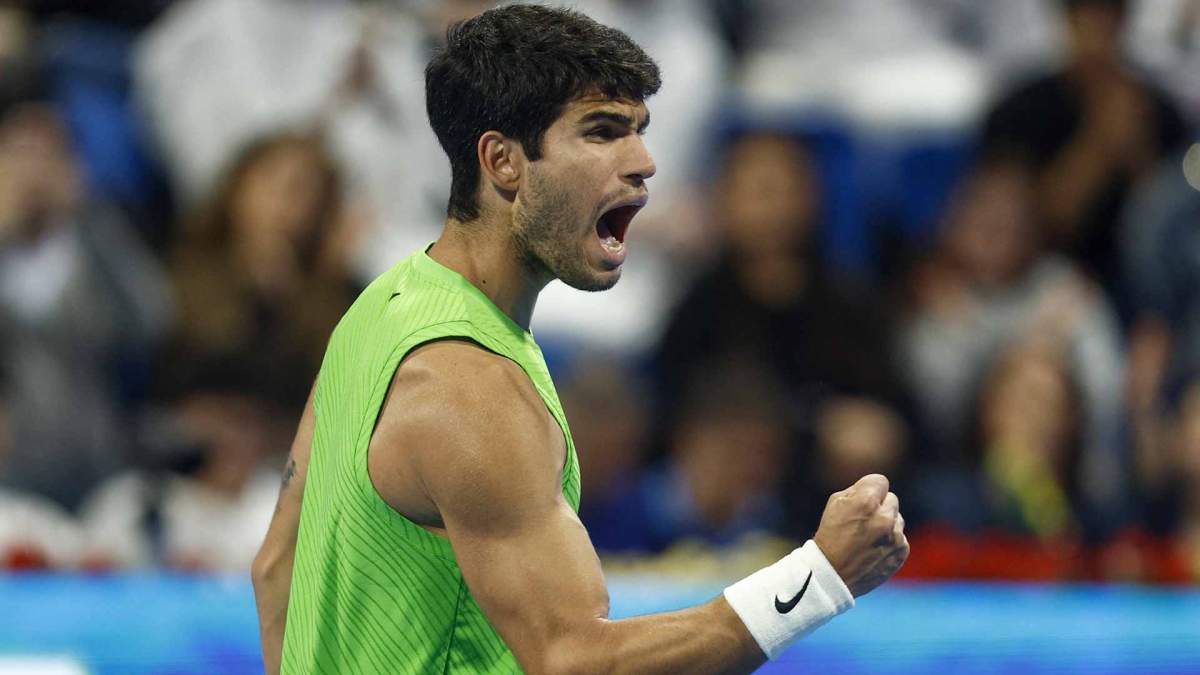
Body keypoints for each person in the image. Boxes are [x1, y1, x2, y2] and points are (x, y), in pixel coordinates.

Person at [252, 6, 909, 674]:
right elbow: (574, 661)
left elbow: (277, 568)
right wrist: (819, 577)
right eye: (603, 132)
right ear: (503, 162)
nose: (645, 163)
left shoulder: (378, 309)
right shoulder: (471, 388)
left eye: (640, 132)